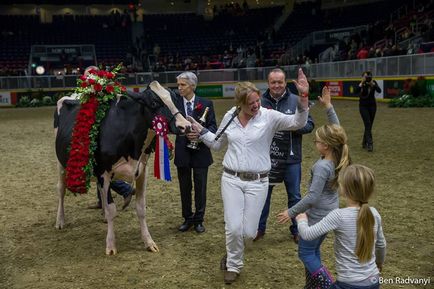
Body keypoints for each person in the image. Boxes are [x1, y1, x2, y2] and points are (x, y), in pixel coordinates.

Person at [188, 68, 309, 284]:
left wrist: (303, 98)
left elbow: (298, 123)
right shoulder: (230, 116)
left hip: (258, 182)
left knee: (249, 232)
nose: (256, 105)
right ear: (240, 104)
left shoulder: (269, 117)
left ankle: (232, 252)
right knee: (233, 227)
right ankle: (234, 265)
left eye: (257, 100)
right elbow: (216, 144)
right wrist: (200, 130)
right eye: (251, 103)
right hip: (231, 179)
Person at [277, 86, 351, 288]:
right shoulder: (338, 155)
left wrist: (291, 212)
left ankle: (327, 285)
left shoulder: (321, 167)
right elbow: (339, 133)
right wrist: (328, 107)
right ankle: (312, 285)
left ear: (326, 146)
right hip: (330, 210)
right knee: (314, 250)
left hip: (318, 214)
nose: (315, 142)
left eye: (318, 141)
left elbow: (311, 196)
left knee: (306, 252)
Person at [296, 164, 386, 288]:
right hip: (373, 281)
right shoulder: (374, 213)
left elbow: (307, 234)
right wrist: (379, 262)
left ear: (344, 189)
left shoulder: (338, 215)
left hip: (347, 284)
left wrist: (302, 220)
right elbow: (381, 245)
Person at [255, 68, 315, 243]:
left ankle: (297, 230)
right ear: (268, 83)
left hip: (291, 158)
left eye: (280, 82)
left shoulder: (297, 100)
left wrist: (290, 124)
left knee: (295, 196)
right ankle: (259, 228)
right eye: (273, 82)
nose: (276, 85)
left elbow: (309, 125)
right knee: (263, 195)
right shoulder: (260, 102)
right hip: (266, 158)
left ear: (285, 82)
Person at [173, 71, 217, 234]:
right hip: (183, 151)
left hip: (201, 152)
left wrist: (201, 135)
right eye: (178, 85)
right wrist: (184, 133)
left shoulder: (206, 103)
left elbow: (213, 127)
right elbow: (169, 126)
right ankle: (187, 218)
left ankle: (199, 219)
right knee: (184, 187)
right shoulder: (174, 104)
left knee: (200, 187)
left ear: (193, 85)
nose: (179, 88)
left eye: (182, 85)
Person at [358, 71, 381, 152]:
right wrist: (361, 84)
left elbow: (379, 90)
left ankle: (364, 142)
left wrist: (373, 85)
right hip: (363, 106)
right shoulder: (361, 84)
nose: (367, 78)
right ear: (362, 77)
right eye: (365, 76)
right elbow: (354, 91)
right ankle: (370, 144)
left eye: (368, 76)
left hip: (372, 106)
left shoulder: (373, 83)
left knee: (369, 125)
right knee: (367, 123)